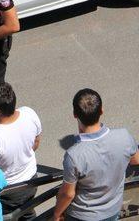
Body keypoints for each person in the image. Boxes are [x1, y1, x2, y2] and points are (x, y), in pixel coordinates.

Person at [54, 88, 139, 221]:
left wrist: (57, 214)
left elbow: (68, 194)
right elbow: (135, 160)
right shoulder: (124, 136)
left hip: (82, 215)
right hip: (113, 210)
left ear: (75, 114)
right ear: (101, 110)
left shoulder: (74, 155)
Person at [0, 82, 42, 219]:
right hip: (32, 180)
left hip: (9, 191)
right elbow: (36, 142)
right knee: (27, 211)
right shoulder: (29, 113)